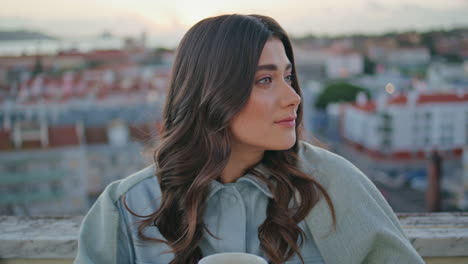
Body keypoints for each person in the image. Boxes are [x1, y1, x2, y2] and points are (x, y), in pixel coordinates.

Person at [74, 14, 425, 264]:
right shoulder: (126, 206)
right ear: (212, 92)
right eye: (265, 81)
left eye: (288, 76)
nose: (293, 97)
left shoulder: (334, 186)